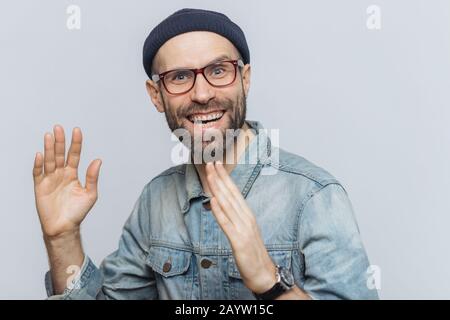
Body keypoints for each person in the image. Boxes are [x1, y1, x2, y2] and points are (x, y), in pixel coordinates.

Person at [32, 8, 379, 300]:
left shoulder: (314, 196)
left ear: (245, 79)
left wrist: (271, 283)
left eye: (218, 71)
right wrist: (62, 239)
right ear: (156, 95)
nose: (201, 93)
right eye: (180, 76)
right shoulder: (155, 201)